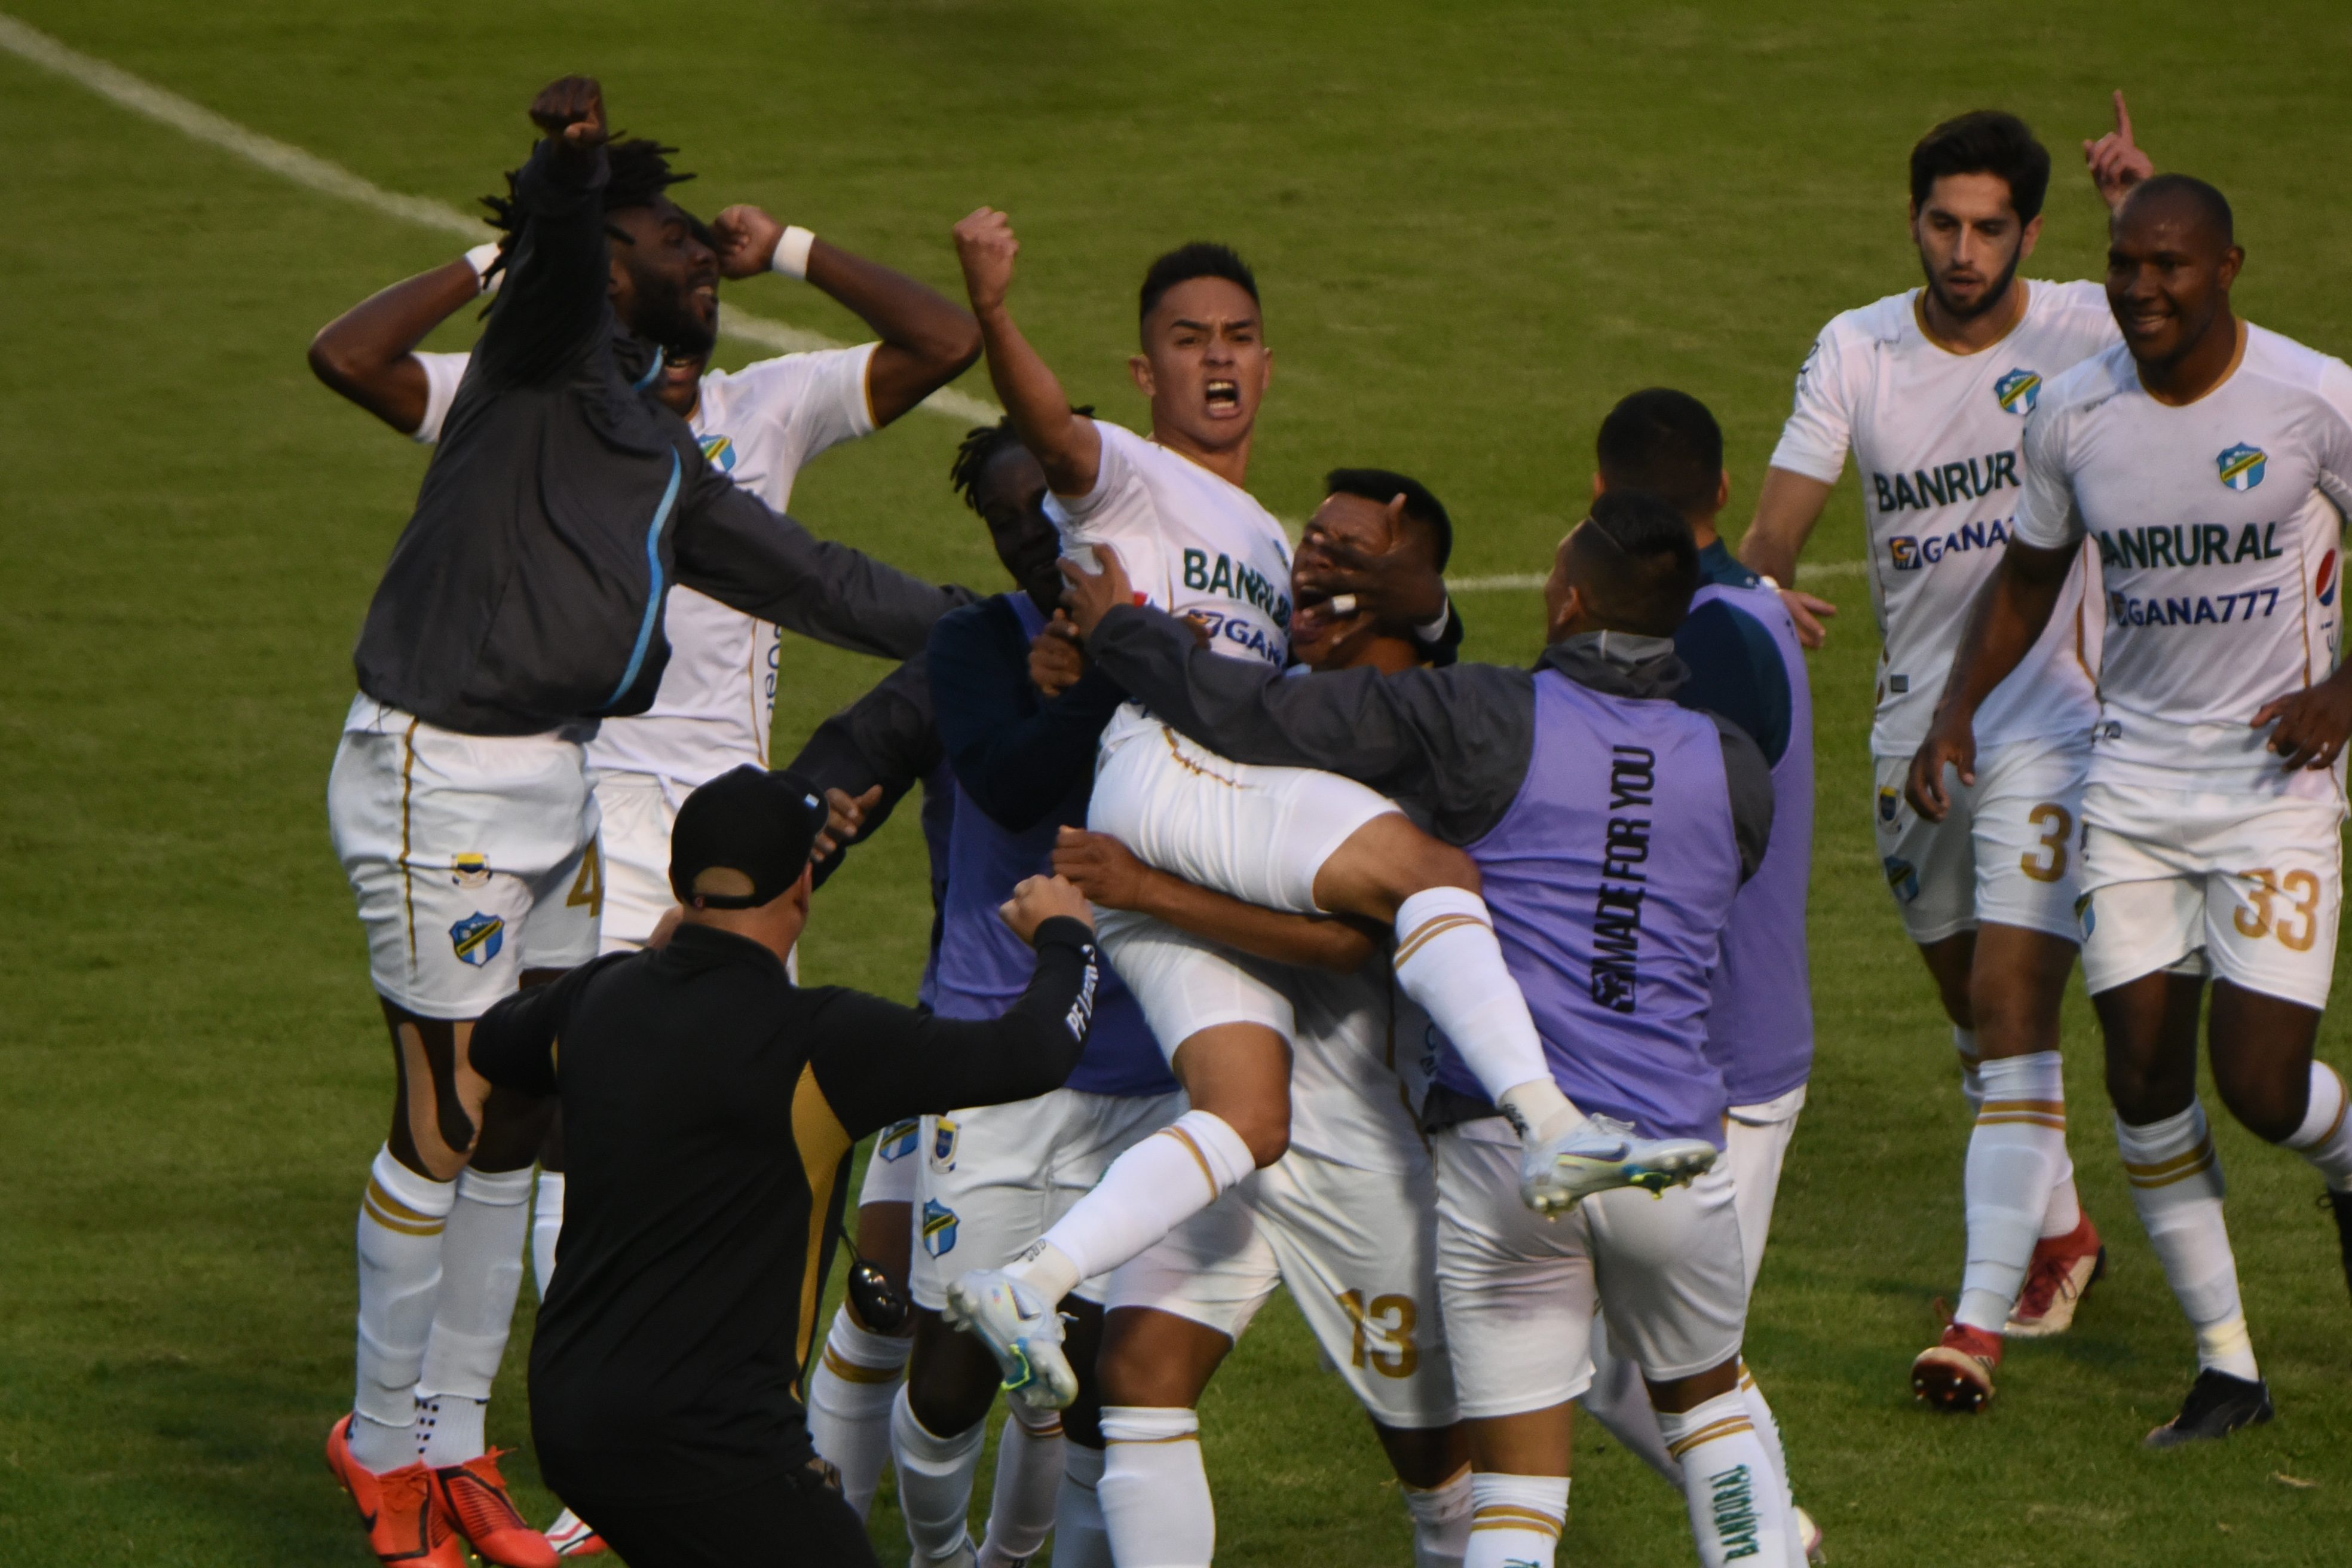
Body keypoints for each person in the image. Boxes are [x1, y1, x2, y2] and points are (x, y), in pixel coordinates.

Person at [317, 78, 970, 1568]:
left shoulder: (660, 449)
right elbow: (520, 275)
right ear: (605, 262)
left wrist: (995, 628)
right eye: (675, 241)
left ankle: (463, 1443)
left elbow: (815, 580)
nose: (704, 264)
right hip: (442, 769)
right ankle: (386, 1448)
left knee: (527, 1115)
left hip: (547, 773)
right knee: (446, 1114)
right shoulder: (540, 362)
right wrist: (563, 174)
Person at [942, 214, 1716, 1410]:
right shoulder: (1126, 473)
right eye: (1189, 341)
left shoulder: (1260, 534)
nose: (1218, 360)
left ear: (1268, 364)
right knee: (1432, 869)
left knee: (1250, 1115)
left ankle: (1030, 1282)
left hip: (1176, 821)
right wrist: (994, 307)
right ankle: (1552, 1121)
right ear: (1146, 374)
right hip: (1177, 766)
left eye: (1241, 340)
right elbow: (1048, 429)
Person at [1067, 489, 1788, 1568]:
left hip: (1506, 1151)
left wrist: (1123, 628)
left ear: (1571, 598)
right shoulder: (1734, 767)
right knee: (1713, 1413)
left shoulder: (1486, 723)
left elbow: (1260, 717)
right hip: (1670, 1145)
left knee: (1512, 1500)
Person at [1911, 173, 2352, 1446]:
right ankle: (2228, 1367)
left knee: (2262, 1085)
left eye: (2169, 266)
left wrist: (2344, 692)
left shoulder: (2309, 394)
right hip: (2138, 786)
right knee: (2146, 1081)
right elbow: (2032, 575)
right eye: (2125, 264)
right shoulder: (2073, 411)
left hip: (2275, 785)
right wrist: (1957, 710)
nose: (2141, 288)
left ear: (2228, 268)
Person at [1737, 99, 2157, 1410]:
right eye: (1942, 224)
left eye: (1989, 229)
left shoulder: (2087, 321)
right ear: (1912, 220)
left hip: (2055, 720)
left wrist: (2139, 202)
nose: (1964, 252)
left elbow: (2199, 332)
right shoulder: (1856, 350)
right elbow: (1777, 528)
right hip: (1915, 725)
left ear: (2030, 230)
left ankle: (1984, 1314)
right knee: (1968, 1006)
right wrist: (1766, 596)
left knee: (2011, 1010)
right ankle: (2067, 1233)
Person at [451, 764, 1106, 1568]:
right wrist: (1067, 938)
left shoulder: (595, 1000)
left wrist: (639, 961)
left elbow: (491, 1040)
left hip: (573, 1423)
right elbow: (1037, 1051)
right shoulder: (824, 1040)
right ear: (802, 886)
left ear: (677, 882)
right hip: (715, 1446)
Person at [1047, 470, 1474, 1568]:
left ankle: (1751, 1498)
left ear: (1405, 585)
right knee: (1137, 1377)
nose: (1313, 567)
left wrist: (1147, 892)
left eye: (1348, 554)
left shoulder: (1417, 744)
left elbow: (1352, 944)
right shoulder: (1277, 690)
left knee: (1440, 1470)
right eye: (1312, 543)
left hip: (1367, 1157)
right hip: (1243, 1131)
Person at [886, 416, 1186, 1568]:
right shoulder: (975, 644)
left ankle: (1011, 1564)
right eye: (1003, 520)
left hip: (1135, 1059)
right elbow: (1011, 789)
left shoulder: (1168, 639)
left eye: (1042, 511)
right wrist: (1106, 687)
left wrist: (1114, 669)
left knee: (1076, 1372)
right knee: (954, 1366)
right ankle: (940, 1558)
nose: (1025, 536)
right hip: (994, 1047)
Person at [1564, 391, 1822, 1564]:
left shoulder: (1708, 639)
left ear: (1600, 500)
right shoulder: (1739, 617)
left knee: (1652, 1370)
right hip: (1701, 1054)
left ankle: (1781, 1542)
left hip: (1715, 1064)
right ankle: (1784, 1538)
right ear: (1722, 494)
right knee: (1646, 1364)